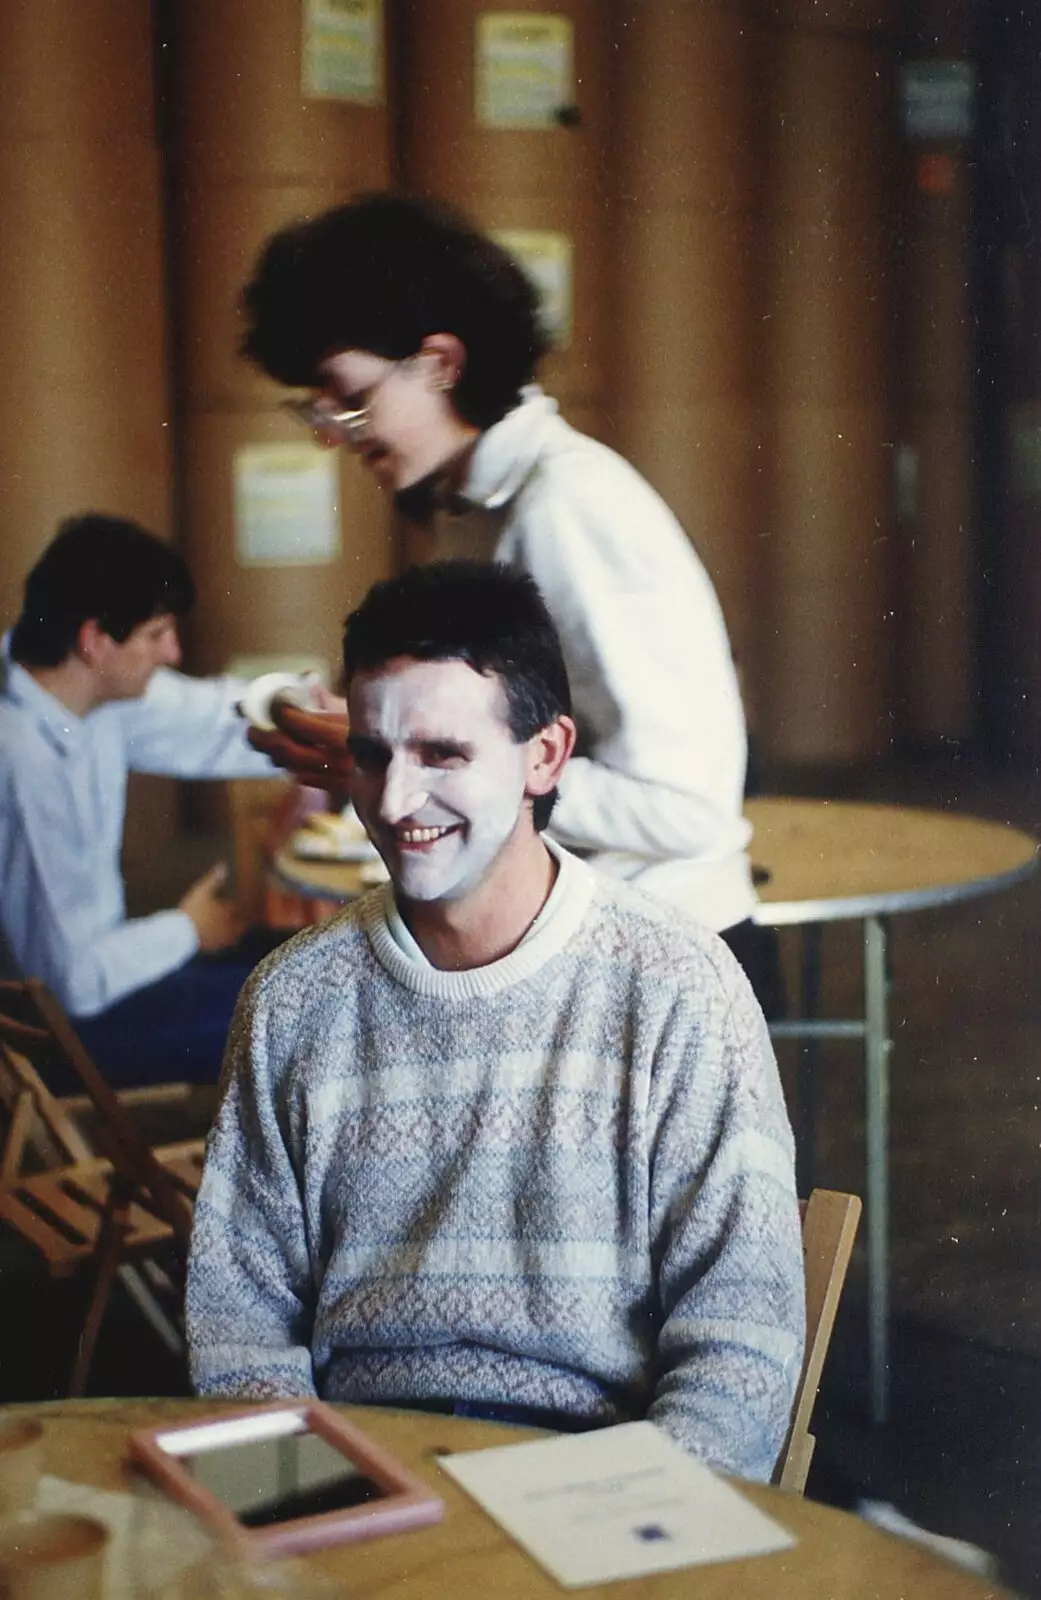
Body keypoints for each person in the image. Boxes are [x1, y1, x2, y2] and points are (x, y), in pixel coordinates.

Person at [187, 561, 804, 1483]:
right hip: (362, 1475)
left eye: (442, 755)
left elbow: (742, 1344)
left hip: (599, 1479)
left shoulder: (677, 986)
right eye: (371, 754)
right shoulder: (292, 999)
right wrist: (308, 1511)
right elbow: (239, 1324)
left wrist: (631, 1525)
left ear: (544, 757)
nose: (393, 804)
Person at [238, 192, 782, 1015]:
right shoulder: (469, 508)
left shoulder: (567, 507)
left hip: (667, 970)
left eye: (348, 399)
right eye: (317, 408)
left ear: (440, 363)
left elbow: (687, 810)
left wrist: (441, 764)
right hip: (567, 942)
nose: (329, 435)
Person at [0, 513, 281, 1089]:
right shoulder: (20, 761)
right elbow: (68, 982)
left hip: (110, 975)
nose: (173, 652)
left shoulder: (79, 692)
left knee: (291, 960)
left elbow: (209, 717)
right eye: (157, 634)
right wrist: (186, 928)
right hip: (64, 1035)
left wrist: (313, 716)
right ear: (95, 640)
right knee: (298, 1011)